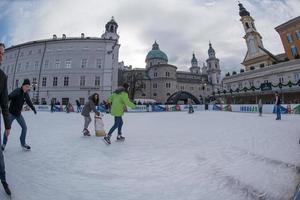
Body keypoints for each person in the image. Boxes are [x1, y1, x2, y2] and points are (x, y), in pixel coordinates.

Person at [2, 79, 37, 151]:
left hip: (18, 114)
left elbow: (29, 102)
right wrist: (4, 104)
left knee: (24, 127)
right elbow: (9, 97)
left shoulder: (26, 94)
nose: (27, 88)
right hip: (11, 114)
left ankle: (23, 143)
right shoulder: (17, 91)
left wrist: (33, 108)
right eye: (26, 86)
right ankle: (4, 144)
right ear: (23, 85)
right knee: (7, 128)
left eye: (28, 87)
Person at [0, 42, 12, 196]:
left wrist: (7, 124)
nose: (1, 56)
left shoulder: (2, 77)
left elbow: (3, 102)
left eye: (2, 54)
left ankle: (3, 179)